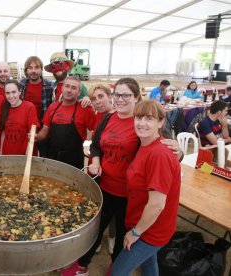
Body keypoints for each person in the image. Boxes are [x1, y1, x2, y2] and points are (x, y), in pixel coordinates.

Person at [62, 78, 182, 276]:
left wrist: (180, 151)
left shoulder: (144, 121)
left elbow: (167, 147)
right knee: (95, 230)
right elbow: (95, 145)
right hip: (105, 188)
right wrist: (96, 160)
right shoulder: (109, 118)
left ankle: (116, 267)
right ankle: (82, 265)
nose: (120, 99)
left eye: (126, 95)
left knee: (123, 238)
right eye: (117, 94)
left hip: (131, 195)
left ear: (136, 97)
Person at [111, 100, 181, 275]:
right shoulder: (145, 145)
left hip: (151, 231)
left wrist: (135, 232)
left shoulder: (159, 154)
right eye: (139, 117)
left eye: (149, 118)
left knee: (118, 272)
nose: (142, 123)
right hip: (142, 223)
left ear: (160, 122)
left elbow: (157, 205)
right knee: (149, 265)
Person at [35, 76, 95, 169]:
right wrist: (37, 137)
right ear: (62, 88)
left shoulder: (85, 109)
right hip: (53, 157)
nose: (69, 90)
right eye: (67, 86)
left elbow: (96, 130)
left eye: (73, 88)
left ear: (79, 92)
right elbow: (45, 129)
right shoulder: (53, 107)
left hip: (74, 160)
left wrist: (93, 104)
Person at [88, 83, 116, 254]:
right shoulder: (96, 116)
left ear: (109, 96)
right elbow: (94, 143)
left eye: (101, 97)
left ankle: (112, 237)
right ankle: (96, 237)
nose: (97, 101)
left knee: (112, 207)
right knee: (97, 203)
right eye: (93, 98)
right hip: (95, 165)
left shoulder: (117, 115)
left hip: (112, 167)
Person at [20, 56, 54, 157]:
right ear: (26, 70)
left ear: (41, 69)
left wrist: (85, 97)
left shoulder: (49, 86)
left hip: (44, 131)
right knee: (25, 157)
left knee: (45, 158)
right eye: (30, 68)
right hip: (25, 131)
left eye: (37, 67)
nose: (33, 71)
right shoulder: (21, 85)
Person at [0, 79, 40, 155]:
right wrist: (1, 153)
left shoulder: (29, 107)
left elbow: (32, 132)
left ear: (20, 92)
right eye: (7, 93)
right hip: (7, 154)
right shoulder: (4, 108)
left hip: (23, 154)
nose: (11, 96)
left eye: (14, 92)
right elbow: (3, 133)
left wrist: (27, 154)